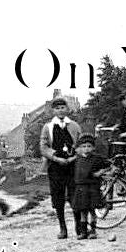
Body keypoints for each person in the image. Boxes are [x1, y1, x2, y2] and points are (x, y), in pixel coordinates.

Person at [40, 97, 81, 239]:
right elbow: (43, 147)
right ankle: (63, 228)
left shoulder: (74, 126)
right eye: (57, 108)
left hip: (72, 165)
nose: (60, 110)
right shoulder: (48, 127)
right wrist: (56, 158)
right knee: (58, 197)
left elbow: (81, 145)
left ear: (67, 109)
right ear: (53, 111)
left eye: (63, 107)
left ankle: (79, 227)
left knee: (74, 195)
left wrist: (73, 157)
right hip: (55, 166)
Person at [71, 133, 109, 240]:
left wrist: (100, 172)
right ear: (79, 148)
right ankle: (83, 232)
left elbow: (108, 165)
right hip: (81, 188)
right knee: (83, 211)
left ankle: (93, 230)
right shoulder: (77, 160)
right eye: (83, 146)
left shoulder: (97, 158)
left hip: (92, 187)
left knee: (92, 210)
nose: (86, 149)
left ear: (93, 147)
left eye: (89, 146)